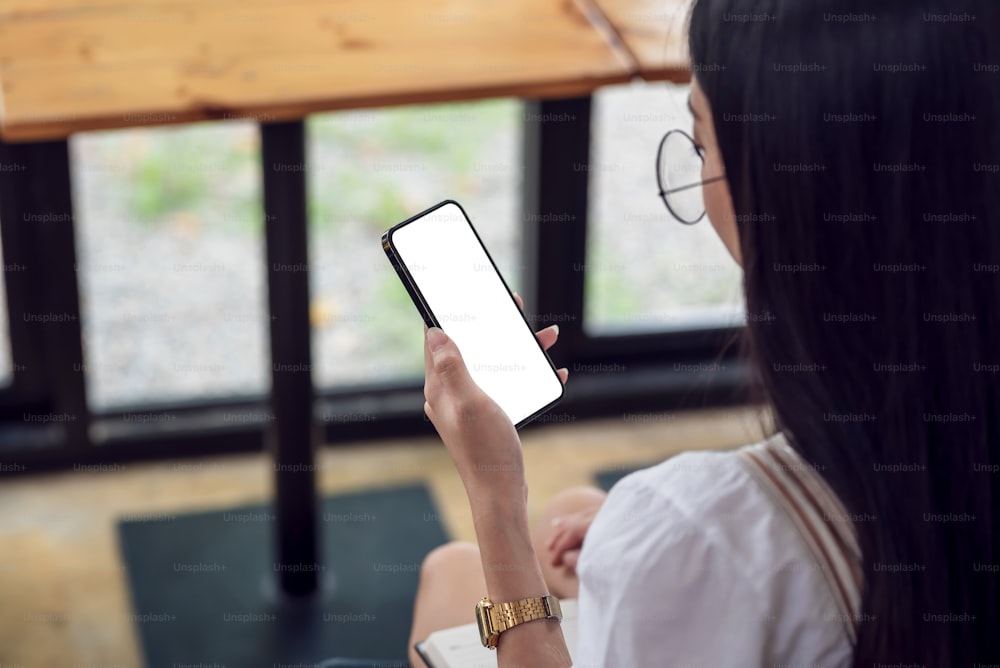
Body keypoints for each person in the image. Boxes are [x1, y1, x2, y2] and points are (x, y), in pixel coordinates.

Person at [409, 0, 999, 665]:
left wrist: (495, 496)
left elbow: (731, 543)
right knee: (575, 512)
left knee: (452, 574)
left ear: (778, 191)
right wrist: (649, 553)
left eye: (700, 144)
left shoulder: (694, 529)